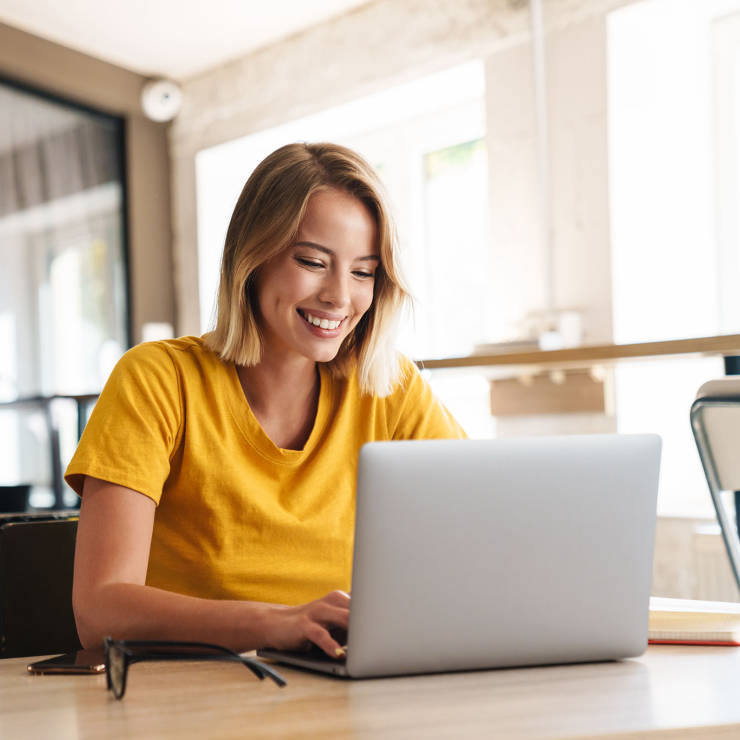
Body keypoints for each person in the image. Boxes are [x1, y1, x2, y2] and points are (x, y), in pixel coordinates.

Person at [66, 142, 466, 660]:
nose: (340, 297)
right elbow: (98, 613)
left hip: (340, 692)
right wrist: (274, 623)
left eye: (364, 272)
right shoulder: (158, 380)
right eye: (313, 262)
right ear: (252, 258)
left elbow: (482, 538)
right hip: (190, 699)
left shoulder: (390, 389)